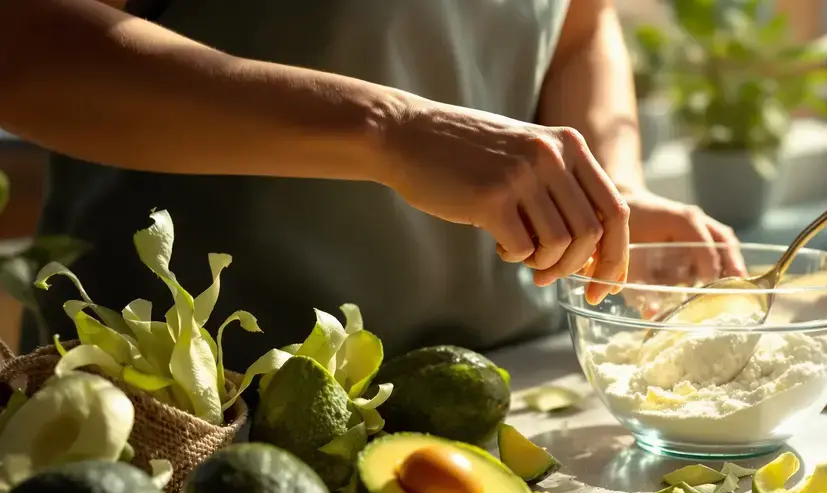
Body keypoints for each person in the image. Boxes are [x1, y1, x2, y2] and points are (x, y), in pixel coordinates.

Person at [0, 0, 747, 368]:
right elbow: (24, 48)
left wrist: (609, 186)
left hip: (500, 377)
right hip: (187, 402)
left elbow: (582, 25)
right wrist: (389, 129)